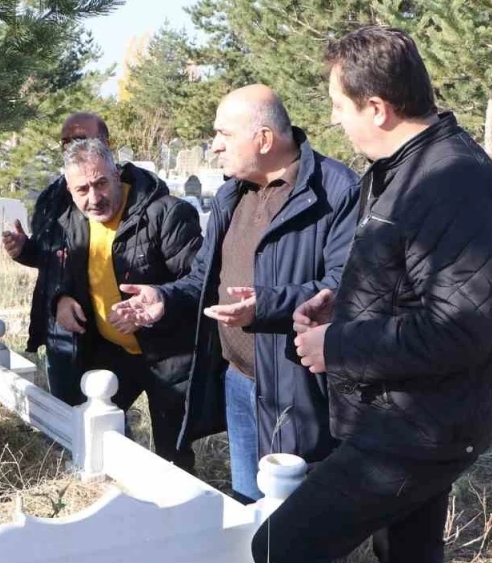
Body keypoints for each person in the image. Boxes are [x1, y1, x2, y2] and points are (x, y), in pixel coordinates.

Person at [273, 26, 492, 563]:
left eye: (339, 105)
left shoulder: (453, 182)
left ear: (377, 107)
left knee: (283, 546)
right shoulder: (399, 169)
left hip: (418, 427)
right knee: (411, 561)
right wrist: (342, 302)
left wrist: (337, 345)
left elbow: (459, 329)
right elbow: (408, 279)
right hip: (408, 414)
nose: (333, 119)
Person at [113, 85, 359, 498]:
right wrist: (164, 298)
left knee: (295, 513)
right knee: (248, 502)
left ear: (263, 139)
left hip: (296, 387)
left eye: (224, 134)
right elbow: (203, 279)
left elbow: (345, 288)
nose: (214, 146)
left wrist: (266, 306)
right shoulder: (232, 193)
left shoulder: (336, 191)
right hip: (238, 379)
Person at [52, 139, 202, 468]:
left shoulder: (167, 214)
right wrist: (61, 297)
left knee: (173, 459)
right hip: (112, 352)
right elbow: (63, 268)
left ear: (117, 174)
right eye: (82, 189)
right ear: (68, 189)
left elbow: (200, 282)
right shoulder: (74, 219)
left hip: (169, 356)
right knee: (97, 439)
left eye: (101, 183)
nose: (94, 198)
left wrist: (161, 302)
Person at [1, 112, 110, 403]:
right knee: (65, 409)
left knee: (105, 411)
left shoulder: (114, 193)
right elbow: (49, 257)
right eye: (65, 141)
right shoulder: (51, 195)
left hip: (101, 327)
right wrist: (25, 249)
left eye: (80, 138)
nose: (71, 146)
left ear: (105, 142)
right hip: (59, 327)